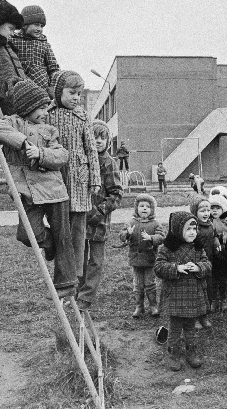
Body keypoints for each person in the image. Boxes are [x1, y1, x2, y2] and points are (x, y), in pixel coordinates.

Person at [0, 79, 76, 298]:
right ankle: (49, 245)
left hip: (54, 190)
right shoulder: (11, 123)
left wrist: (41, 153)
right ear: (27, 107)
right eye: (41, 108)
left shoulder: (49, 130)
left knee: (63, 235)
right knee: (27, 234)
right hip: (26, 191)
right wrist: (23, 144)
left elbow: (62, 156)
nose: (45, 112)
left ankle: (65, 283)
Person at [47, 70, 102, 284]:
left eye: (79, 94)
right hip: (57, 175)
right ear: (59, 91)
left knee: (78, 229)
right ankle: (62, 271)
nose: (76, 98)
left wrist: (95, 179)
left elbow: (91, 149)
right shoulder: (48, 114)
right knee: (60, 224)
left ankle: (76, 274)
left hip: (79, 177)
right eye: (71, 92)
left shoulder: (83, 116)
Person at [155, 211, 211, 371]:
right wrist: (176, 268)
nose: (193, 232)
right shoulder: (166, 249)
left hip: (193, 294)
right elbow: (158, 268)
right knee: (174, 328)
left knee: (190, 328)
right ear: (178, 230)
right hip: (175, 295)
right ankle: (173, 354)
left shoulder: (198, 248)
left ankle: (191, 352)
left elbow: (208, 264)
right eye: (188, 229)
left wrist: (199, 267)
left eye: (195, 228)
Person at [77, 120, 123, 311]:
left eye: (102, 138)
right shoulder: (82, 160)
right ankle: (77, 290)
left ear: (108, 141)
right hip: (81, 217)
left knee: (96, 261)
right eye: (94, 137)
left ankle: (87, 296)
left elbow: (116, 194)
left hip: (99, 222)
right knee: (80, 257)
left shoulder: (109, 163)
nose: (97, 141)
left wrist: (101, 211)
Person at [118, 193, 164, 318]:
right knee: (137, 285)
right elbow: (121, 236)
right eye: (141, 206)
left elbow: (161, 237)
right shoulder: (131, 222)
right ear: (136, 208)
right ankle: (139, 306)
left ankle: (153, 306)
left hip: (149, 259)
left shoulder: (155, 224)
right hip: (136, 260)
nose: (144, 208)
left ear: (152, 209)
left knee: (150, 284)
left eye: (147, 207)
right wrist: (127, 233)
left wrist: (151, 238)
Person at [9, 5, 60, 90]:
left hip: (42, 88)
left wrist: (52, 87)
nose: (39, 29)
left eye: (41, 26)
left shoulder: (44, 44)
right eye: (36, 25)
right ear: (25, 25)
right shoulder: (13, 40)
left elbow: (53, 68)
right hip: (20, 87)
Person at [191, 195, 218, 329]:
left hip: (208, 263)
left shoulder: (211, 225)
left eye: (208, 210)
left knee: (207, 289)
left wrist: (216, 241)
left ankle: (204, 315)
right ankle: (195, 317)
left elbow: (214, 236)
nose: (206, 213)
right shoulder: (193, 227)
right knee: (197, 291)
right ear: (195, 211)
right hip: (196, 264)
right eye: (202, 211)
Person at [208, 193, 227, 314]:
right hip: (213, 257)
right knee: (213, 280)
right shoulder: (208, 223)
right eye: (212, 208)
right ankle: (214, 300)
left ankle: (223, 299)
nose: (214, 211)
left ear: (223, 209)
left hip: (226, 257)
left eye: (217, 208)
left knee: (224, 280)